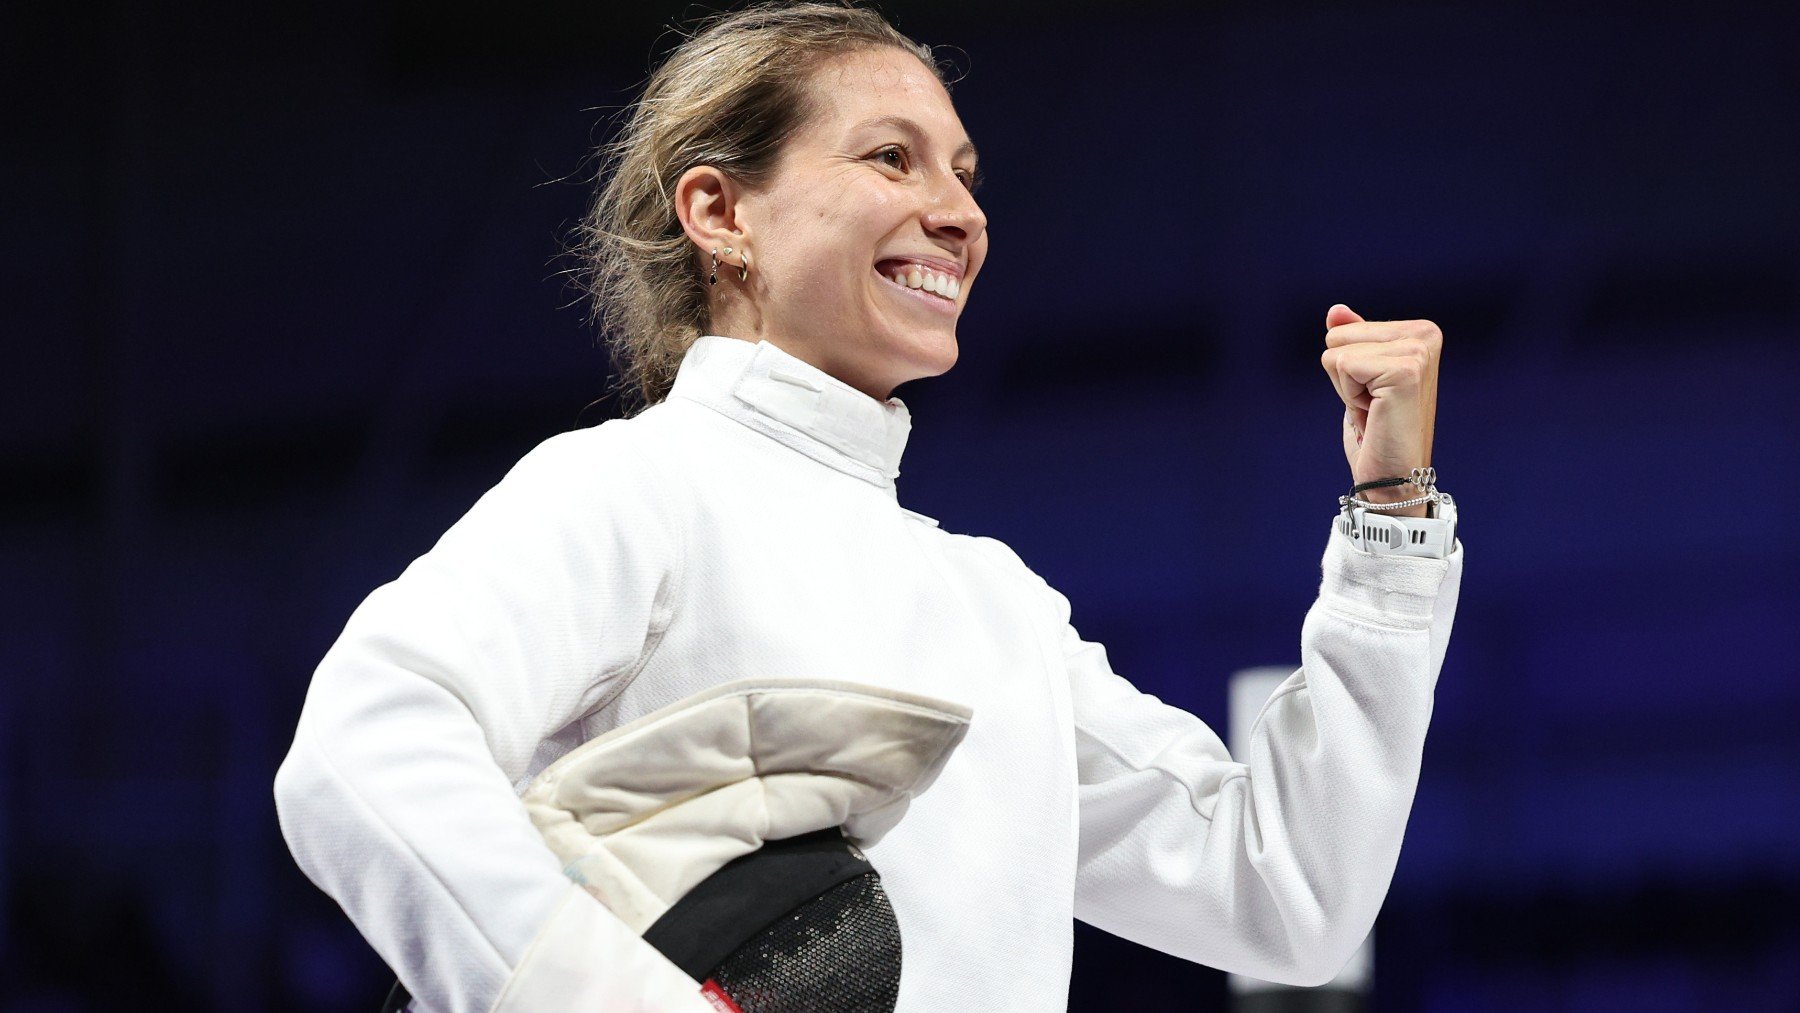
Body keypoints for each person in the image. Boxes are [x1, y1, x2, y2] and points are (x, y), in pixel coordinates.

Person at [272, 3, 1464, 1011]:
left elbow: (1287, 893)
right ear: (720, 213)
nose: (958, 210)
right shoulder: (637, 488)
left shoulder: (991, 604)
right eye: (891, 157)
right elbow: (363, 745)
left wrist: (1393, 518)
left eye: (964, 171)